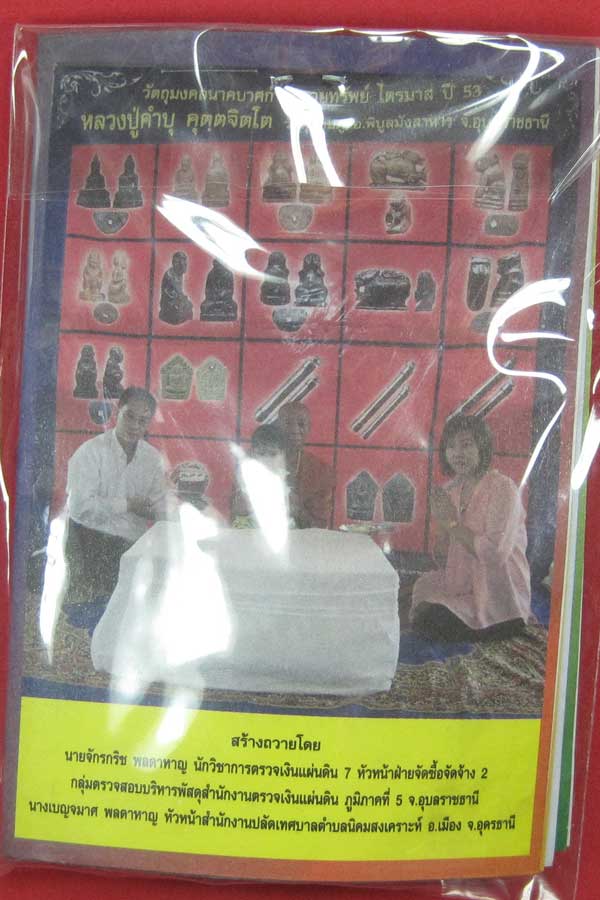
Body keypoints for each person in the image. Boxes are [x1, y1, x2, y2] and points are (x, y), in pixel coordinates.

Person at [410, 415, 531, 642]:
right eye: (451, 446)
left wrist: (451, 522)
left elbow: (494, 554)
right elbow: (445, 557)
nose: (458, 453)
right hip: (464, 584)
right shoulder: (452, 489)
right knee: (421, 590)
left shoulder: (503, 489)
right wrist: (442, 530)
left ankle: (500, 623)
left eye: (466, 445)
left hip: (497, 593)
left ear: (481, 447)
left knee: (431, 619)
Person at [65, 386, 168, 603]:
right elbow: (78, 507)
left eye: (143, 421)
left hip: (132, 547)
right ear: (117, 411)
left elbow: (161, 507)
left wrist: (165, 514)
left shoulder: (152, 459)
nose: (135, 426)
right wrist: (128, 505)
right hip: (90, 542)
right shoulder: (90, 452)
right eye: (129, 416)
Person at [276, 401, 334, 529]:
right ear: (277, 426)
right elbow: (238, 514)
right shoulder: (254, 463)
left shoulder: (321, 470)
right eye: (287, 423)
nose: (294, 430)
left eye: (301, 424)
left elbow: (320, 525)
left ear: (309, 428)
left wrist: (297, 510)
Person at [230, 424, 289, 527]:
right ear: (252, 453)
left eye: (273, 454)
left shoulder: (284, 477)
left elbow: (289, 509)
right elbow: (238, 508)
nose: (267, 459)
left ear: (283, 455)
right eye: (261, 454)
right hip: (248, 524)